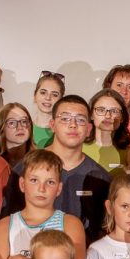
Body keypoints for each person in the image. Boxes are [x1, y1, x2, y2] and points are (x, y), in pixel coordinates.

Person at [43, 95, 111, 241]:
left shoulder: (100, 177)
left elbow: (105, 230)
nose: (73, 124)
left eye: (80, 120)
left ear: (89, 129)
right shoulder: (27, 169)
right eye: (65, 118)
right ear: (52, 125)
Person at [84, 88, 129, 172]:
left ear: (122, 117)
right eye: (101, 110)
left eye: (114, 111)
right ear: (91, 115)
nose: (108, 116)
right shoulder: (77, 148)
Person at [0, 102, 36, 168]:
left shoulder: (41, 160)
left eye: (24, 121)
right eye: (12, 123)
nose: (20, 127)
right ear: (1, 128)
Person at [31, 71, 65, 148]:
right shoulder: (25, 128)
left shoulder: (65, 130)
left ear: (61, 100)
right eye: (43, 92)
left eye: (54, 95)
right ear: (35, 95)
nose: (48, 98)